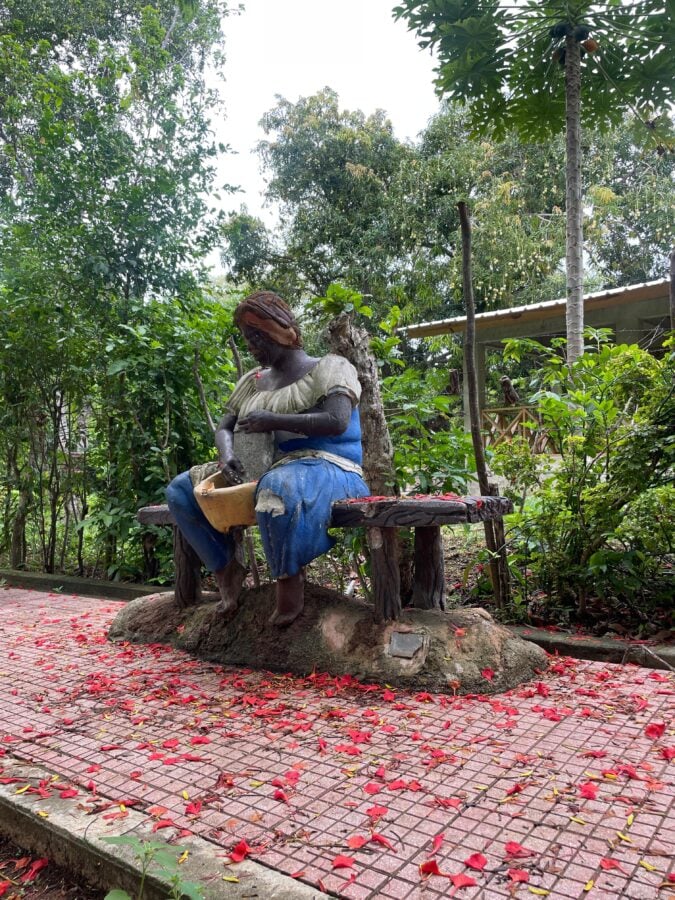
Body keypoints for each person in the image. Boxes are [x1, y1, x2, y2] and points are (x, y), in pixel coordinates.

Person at [166, 290, 369, 626]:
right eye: (247, 338)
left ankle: (289, 585)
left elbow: (337, 421)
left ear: (279, 331)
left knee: (277, 488)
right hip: (262, 468)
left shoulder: (330, 368)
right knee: (180, 490)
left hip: (329, 467)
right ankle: (226, 571)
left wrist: (275, 421)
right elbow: (225, 427)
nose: (251, 346)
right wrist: (227, 455)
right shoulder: (252, 382)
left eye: (256, 337)